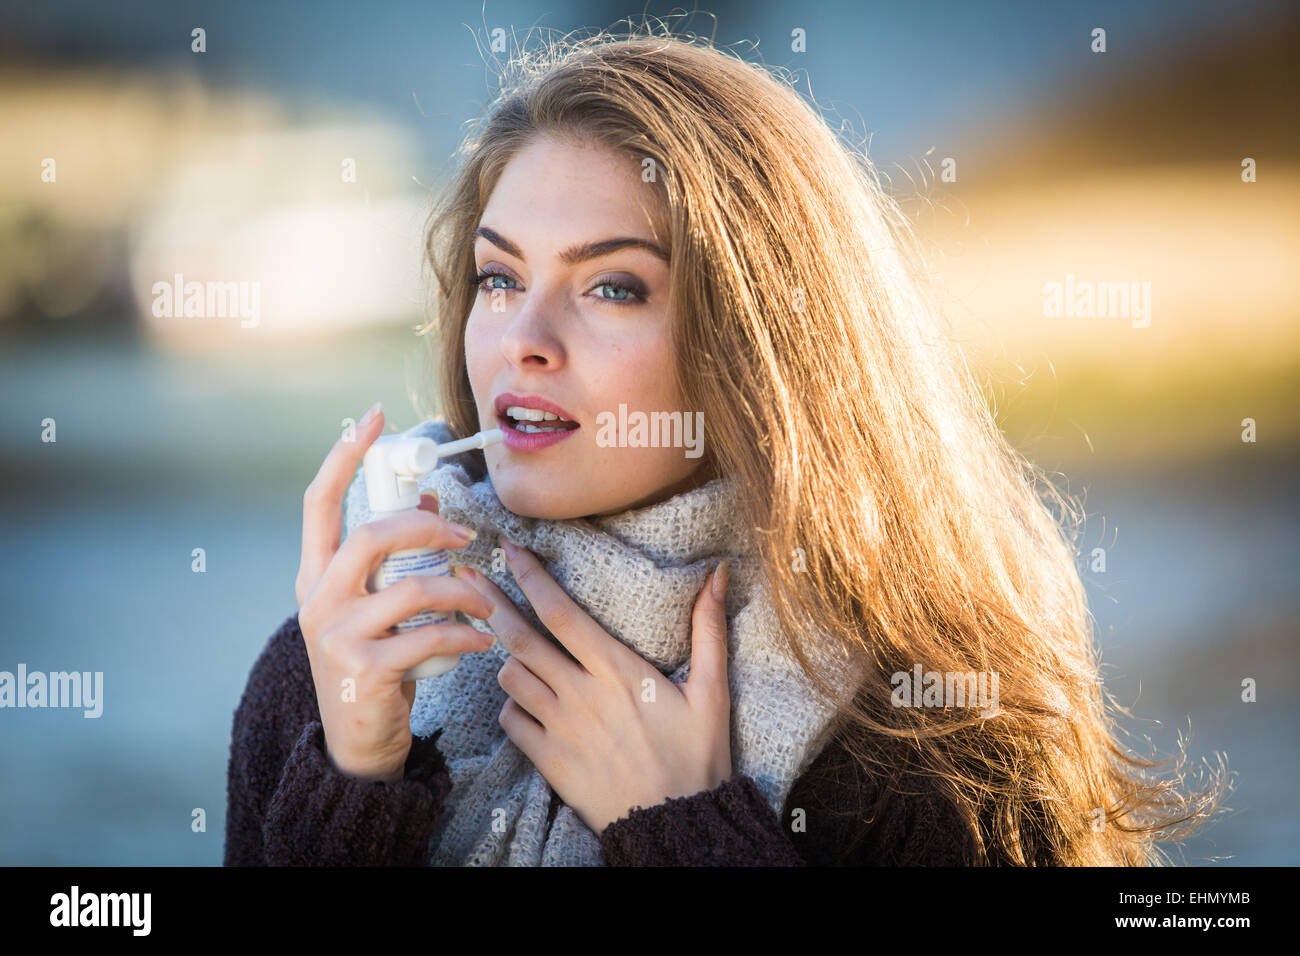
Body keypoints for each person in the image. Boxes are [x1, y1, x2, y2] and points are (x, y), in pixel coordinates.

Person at [225, 30, 1226, 867]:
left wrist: (685, 835)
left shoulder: (931, 730)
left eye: (612, 285)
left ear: (757, 344)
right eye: (497, 278)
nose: (522, 336)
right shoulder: (327, 674)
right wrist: (354, 784)